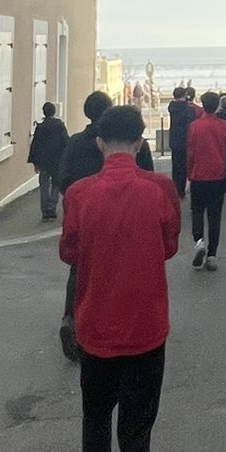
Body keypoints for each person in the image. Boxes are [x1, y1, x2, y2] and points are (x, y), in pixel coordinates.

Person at [58, 104, 180, 452]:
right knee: (135, 439)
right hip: (146, 333)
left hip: (95, 332)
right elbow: (169, 247)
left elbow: (69, 252)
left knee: (94, 422)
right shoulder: (160, 190)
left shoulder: (79, 194)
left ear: (99, 143)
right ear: (141, 141)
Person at [55, 92, 154, 362]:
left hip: (85, 214)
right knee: (123, 270)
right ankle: (120, 323)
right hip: (126, 215)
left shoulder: (76, 142)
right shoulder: (132, 144)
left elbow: (63, 178)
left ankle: (71, 317)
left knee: (80, 269)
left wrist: (75, 201)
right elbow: (148, 177)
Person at [185, 90, 226, 272]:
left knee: (197, 211)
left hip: (198, 175)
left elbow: (190, 153)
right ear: (217, 106)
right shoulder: (224, 126)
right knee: (215, 216)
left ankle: (199, 241)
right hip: (218, 176)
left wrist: (189, 175)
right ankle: (212, 255)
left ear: (202, 104)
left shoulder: (194, 126)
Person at [26, 102, 69, 222]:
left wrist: (35, 163)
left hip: (44, 161)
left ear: (44, 112)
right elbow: (66, 142)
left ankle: (45, 211)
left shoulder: (40, 127)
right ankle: (52, 207)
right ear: (54, 112)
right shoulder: (60, 126)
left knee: (44, 185)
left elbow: (35, 145)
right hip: (57, 160)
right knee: (56, 184)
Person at [165, 86, 198, 200]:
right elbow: (191, 125)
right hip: (185, 140)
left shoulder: (172, 107)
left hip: (174, 139)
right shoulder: (188, 109)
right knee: (184, 166)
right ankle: (182, 189)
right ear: (185, 96)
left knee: (176, 166)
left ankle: (176, 188)